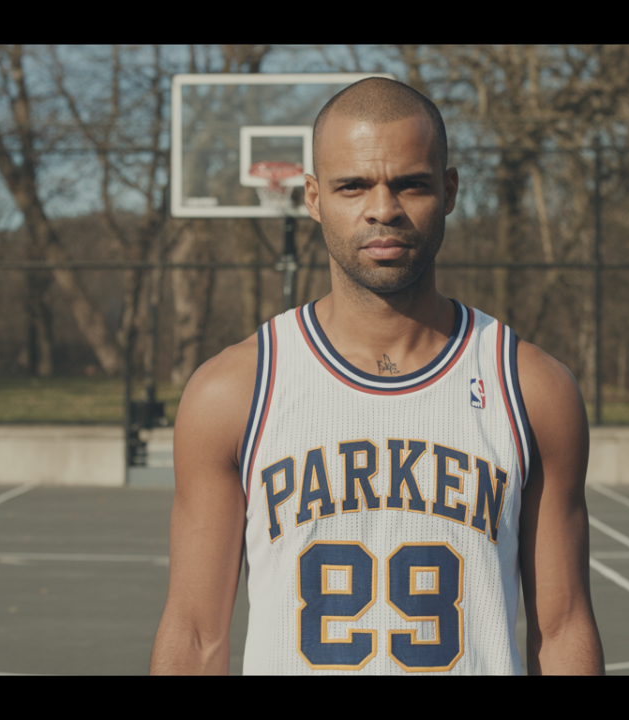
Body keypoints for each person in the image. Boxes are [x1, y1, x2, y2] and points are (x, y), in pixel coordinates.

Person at [150, 78, 603, 675]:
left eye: (410, 184)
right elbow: (195, 634)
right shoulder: (232, 392)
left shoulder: (531, 388)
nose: (383, 209)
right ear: (312, 197)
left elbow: (564, 627)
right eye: (353, 185)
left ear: (448, 190)